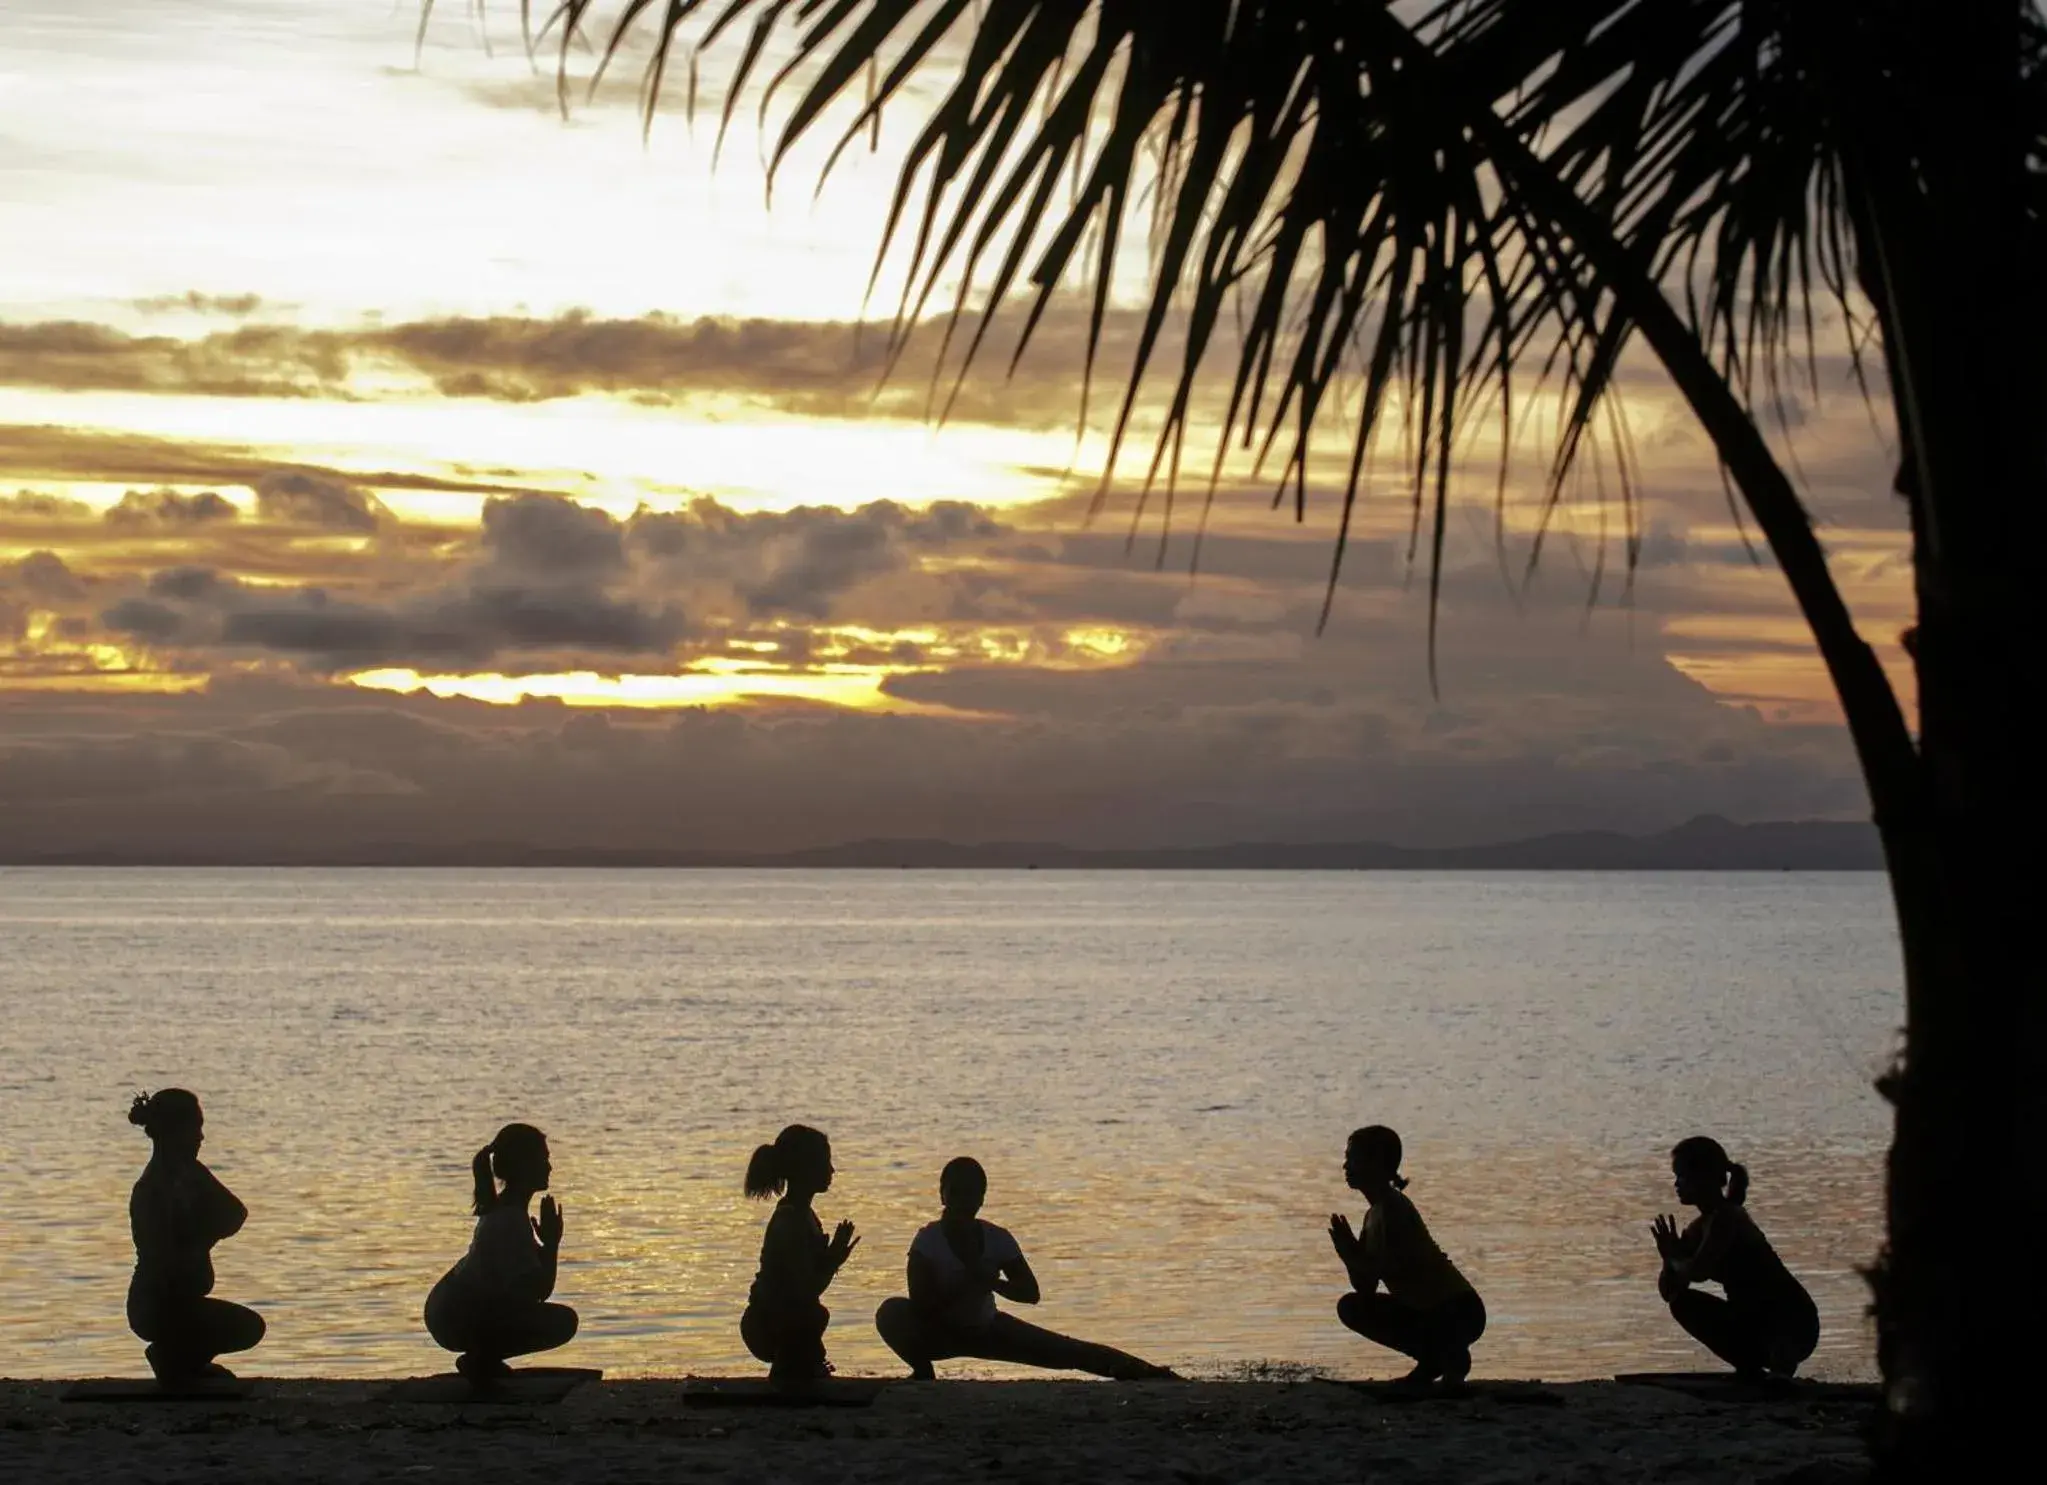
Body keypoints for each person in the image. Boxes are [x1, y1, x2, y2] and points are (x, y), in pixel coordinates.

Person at [874, 1157, 1175, 1380]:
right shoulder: (927, 1242)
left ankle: (1153, 1374)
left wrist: (993, 1284)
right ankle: (922, 1371)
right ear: (942, 1194)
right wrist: (967, 1285)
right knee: (890, 1312)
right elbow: (922, 1306)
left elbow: (1031, 1293)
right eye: (956, 1193)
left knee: (1069, 1351)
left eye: (972, 1194)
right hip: (939, 1333)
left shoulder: (997, 1239)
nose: (963, 1202)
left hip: (988, 1328)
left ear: (982, 1198)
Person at [125, 1089, 266, 1383]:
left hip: (183, 1299)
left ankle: (183, 1362)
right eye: (195, 1129)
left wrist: (204, 1233)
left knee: (250, 1327)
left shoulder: (192, 1174)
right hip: (155, 1305)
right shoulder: (152, 1187)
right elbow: (161, 1255)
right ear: (175, 1132)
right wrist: (196, 1236)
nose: (201, 1138)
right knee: (244, 1327)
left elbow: (235, 1212)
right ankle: (172, 1360)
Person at [1328, 1125, 1486, 1387]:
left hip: (1458, 1310)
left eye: (1353, 1158)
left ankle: (1448, 1358)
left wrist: (1353, 1254)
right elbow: (1365, 1286)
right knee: (1352, 1306)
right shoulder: (1373, 1215)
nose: (1345, 1166)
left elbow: (1385, 1266)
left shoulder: (1393, 1209)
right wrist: (1348, 1253)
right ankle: (1435, 1360)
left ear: (1377, 1164)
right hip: (1425, 1310)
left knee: (1354, 1307)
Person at [1651, 1136, 1820, 1379]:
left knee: (1773, 1326)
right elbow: (1670, 1291)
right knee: (1681, 1302)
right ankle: (1750, 1369)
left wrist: (1674, 1257)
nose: (1676, 1184)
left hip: (1793, 1324)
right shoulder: (1697, 1229)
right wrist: (1668, 1260)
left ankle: (1778, 1368)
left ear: (1704, 1178)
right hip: (1752, 1322)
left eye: (1682, 1176)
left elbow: (1698, 1271)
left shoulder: (1728, 1218)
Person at [424, 1123, 578, 1380]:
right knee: (563, 1322)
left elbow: (527, 1285)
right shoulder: (509, 1221)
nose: (550, 1167)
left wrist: (546, 1245)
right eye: (543, 1159)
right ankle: (481, 1359)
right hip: (454, 1317)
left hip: (449, 1310)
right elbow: (537, 1292)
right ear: (524, 1166)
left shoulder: (507, 1212)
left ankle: (483, 1358)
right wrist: (551, 1245)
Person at [741, 1124, 858, 1382]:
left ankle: (802, 1364)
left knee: (814, 1314)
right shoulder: (791, 1221)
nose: (831, 1170)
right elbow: (805, 1290)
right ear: (805, 1168)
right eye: (825, 1163)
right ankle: (789, 1367)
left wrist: (832, 1257)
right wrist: (833, 1259)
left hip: (780, 1316)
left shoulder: (804, 1215)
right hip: (767, 1323)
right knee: (811, 1315)